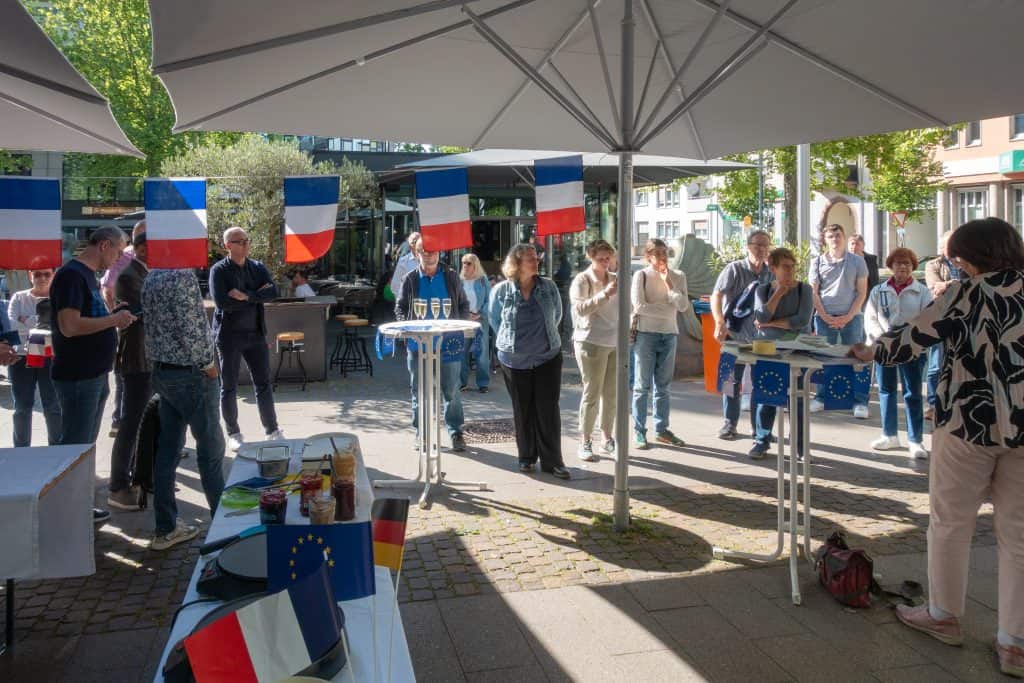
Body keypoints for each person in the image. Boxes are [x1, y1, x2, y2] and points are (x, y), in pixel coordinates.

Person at [851, 218, 1024, 679]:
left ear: (974, 256)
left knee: (950, 522)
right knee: (1020, 535)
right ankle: (1016, 644)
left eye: (958, 258)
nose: (957, 265)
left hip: (967, 421)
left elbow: (912, 339)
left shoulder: (964, 293)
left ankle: (944, 615)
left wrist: (869, 351)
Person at [50, 226, 136, 524]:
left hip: (94, 373)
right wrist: (114, 320)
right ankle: (66, 514)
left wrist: (113, 315)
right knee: (75, 446)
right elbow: (69, 326)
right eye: (119, 251)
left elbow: (87, 318)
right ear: (104, 245)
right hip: (79, 375)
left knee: (83, 445)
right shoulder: (72, 276)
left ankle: (77, 509)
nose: (119, 258)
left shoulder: (85, 276)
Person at [142, 267, 225, 550]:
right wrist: (208, 364)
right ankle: (224, 527)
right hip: (190, 374)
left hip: (163, 371)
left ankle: (166, 527)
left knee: (168, 450)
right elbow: (192, 328)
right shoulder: (182, 276)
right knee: (211, 449)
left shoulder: (152, 276)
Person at [489, 243, 569, 478]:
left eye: (536, 258)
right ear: (517, 263)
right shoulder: (502, 291)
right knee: (522, 410)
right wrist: (513, 343)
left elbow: (557, 315)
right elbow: (495, 321)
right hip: (514, 360)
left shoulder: (548, 287)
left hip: (547, 357)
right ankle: (526, 458)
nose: (536, 262)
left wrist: (540, 339)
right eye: (530, 259)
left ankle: (553, 462)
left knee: (548, 410)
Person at [209, 227, 283, 451]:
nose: (245, 244)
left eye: (246, 240)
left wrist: (246, 296)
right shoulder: (219, 271)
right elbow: (223, 303)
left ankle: (272, 430)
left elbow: (273, 292)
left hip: (256, 334)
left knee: (263, 383)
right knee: (229, 386)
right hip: (229, 336)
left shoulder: (257, 267)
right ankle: (233, 433)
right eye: (239, 241)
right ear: (227, 246)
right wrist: (257, 296)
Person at [395, 240, 469, 452]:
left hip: (448, 343)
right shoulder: (410, 278)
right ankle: (422, 433)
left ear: (439, 253)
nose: (429, 255)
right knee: (419, 391)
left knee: (451, 390)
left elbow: (463, 304)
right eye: (424, 251)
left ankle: (455, 432)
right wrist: (407, 328)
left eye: (433, 251)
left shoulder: (451, 276)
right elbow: (400, 307)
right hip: (418, 344)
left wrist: (460, 325)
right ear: (416, 253)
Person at [864, 247, 931, 459]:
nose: (902, 267)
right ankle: (889, 435)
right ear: (891, 266)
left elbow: (927, 318)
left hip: (912, 348)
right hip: (884, 347)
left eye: (907, 263)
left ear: (913, 267)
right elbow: (870, 317)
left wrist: (909, 339)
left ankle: (915, 440)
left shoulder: (922, 292)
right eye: (898, 263)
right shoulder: (878, 291)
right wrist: (882, 339)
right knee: (886, 390)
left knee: (912, 393)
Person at [749, 247, 813, 459]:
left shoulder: (805, 289)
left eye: (792, 266)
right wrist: (778, 294)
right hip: (769, 350)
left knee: (798, 400)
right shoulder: (763, 290)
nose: (790, 271)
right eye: (785, 267)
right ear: (773, 268)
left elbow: (801, 320)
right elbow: (760, 316)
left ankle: (800, 447)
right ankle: (761, 441)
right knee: (767, 395)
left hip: (798, 350)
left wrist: (771, 323)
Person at [710, 230, 773, 440]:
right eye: (757, 245)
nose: (761, 249)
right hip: (734, 333)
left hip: (762, 337)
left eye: (765, 245)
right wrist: (719, 321)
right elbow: (716, 295)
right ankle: (729, 424)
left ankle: (759, 429)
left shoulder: (770, 273)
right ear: (748, 246)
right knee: (731, 381)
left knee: (761, 383)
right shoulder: (734, 269)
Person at [107, 225, 152, 510]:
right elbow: (142, 313)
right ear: (143, 248)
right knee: (131, 424)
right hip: (136, 360)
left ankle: (140, 478)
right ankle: (118, 486)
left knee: (145, 423)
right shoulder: (128, 277)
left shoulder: (144, 273)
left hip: (149, 358)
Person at [631, 238, 689, 450]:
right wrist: (667, 309)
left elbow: (683, 306)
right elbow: (639, 306)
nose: (663, 257)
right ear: (648, 256)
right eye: (657, 253)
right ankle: (639, 430)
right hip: (646, 334)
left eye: (665, 252)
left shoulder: (679, 276)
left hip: (669, 334)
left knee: (663, 387)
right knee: (641, 386)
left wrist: (670, 285)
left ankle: (662, 429)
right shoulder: (641, 275)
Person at [808, 223, 870, 417]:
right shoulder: (817, 262)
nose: (835, 239)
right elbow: (814, 292)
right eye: (831, 236)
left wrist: (848, 316)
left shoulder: (858, 262)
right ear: (825, 240)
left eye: (838, 235)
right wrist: (825, 316)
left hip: (852, 317)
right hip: (824, 317)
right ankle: (821, 397)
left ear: (844, 237)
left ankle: (860, 401)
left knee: (857, 358)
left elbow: (862, 292)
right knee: (824, 358)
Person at [570, 239, 618, 462]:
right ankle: (585, 440)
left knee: (611, 394)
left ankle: (607, 438)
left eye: (608, 258)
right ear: (591, 257)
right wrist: (604, 294)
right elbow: (580, 309)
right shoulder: (583, 279)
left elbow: (626, 308)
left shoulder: (616, 278)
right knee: (592, 392)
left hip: (614, 341)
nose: (605, 262)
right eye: (601, 259)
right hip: (590, 340)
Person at [7, 264, 61, 446]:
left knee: (52, 406)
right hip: (21, 357)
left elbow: (60, 326)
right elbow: (12, 326)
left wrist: (26, 320)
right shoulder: (19, 297)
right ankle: (21, 450)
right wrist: (42, 324)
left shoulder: (59, 298)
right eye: (37, 274)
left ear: (53, 275)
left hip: (50, 357)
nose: (42, 278)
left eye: (46, 274)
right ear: (30, 276)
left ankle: (56, 449)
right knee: (22, 408)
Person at [924, 230, 963, 420]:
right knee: (936, 365)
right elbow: (935, 288)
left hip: (962, 319)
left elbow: (973, 284)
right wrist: (958, 285)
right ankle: (933, 404)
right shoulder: (933, 265)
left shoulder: (966, 262)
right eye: (948, 244)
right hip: (940, 319)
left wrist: (948, 285)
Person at [101, 239, 135, 438]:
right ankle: (122, 422)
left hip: (128, 325)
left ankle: (120, 421)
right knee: (125, 374)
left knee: (124, 373)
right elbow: (107, 289)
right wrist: (116, 316)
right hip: (129, 325)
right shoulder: (127, 256)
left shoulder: (127, 255)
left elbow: (106, 288)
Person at [459, 253, 491, 393]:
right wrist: (465, 314)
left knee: (482, 353)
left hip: (480, 321)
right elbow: (456, 301)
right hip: (464, 321)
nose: (465, 265)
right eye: (463, 262)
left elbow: (489, 300)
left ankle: (483, 383)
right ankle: (462, 382)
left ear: (475, 265)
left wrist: (480, 313)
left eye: (468, 263)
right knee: (462, 353)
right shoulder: (459, 281)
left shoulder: (482, 280)